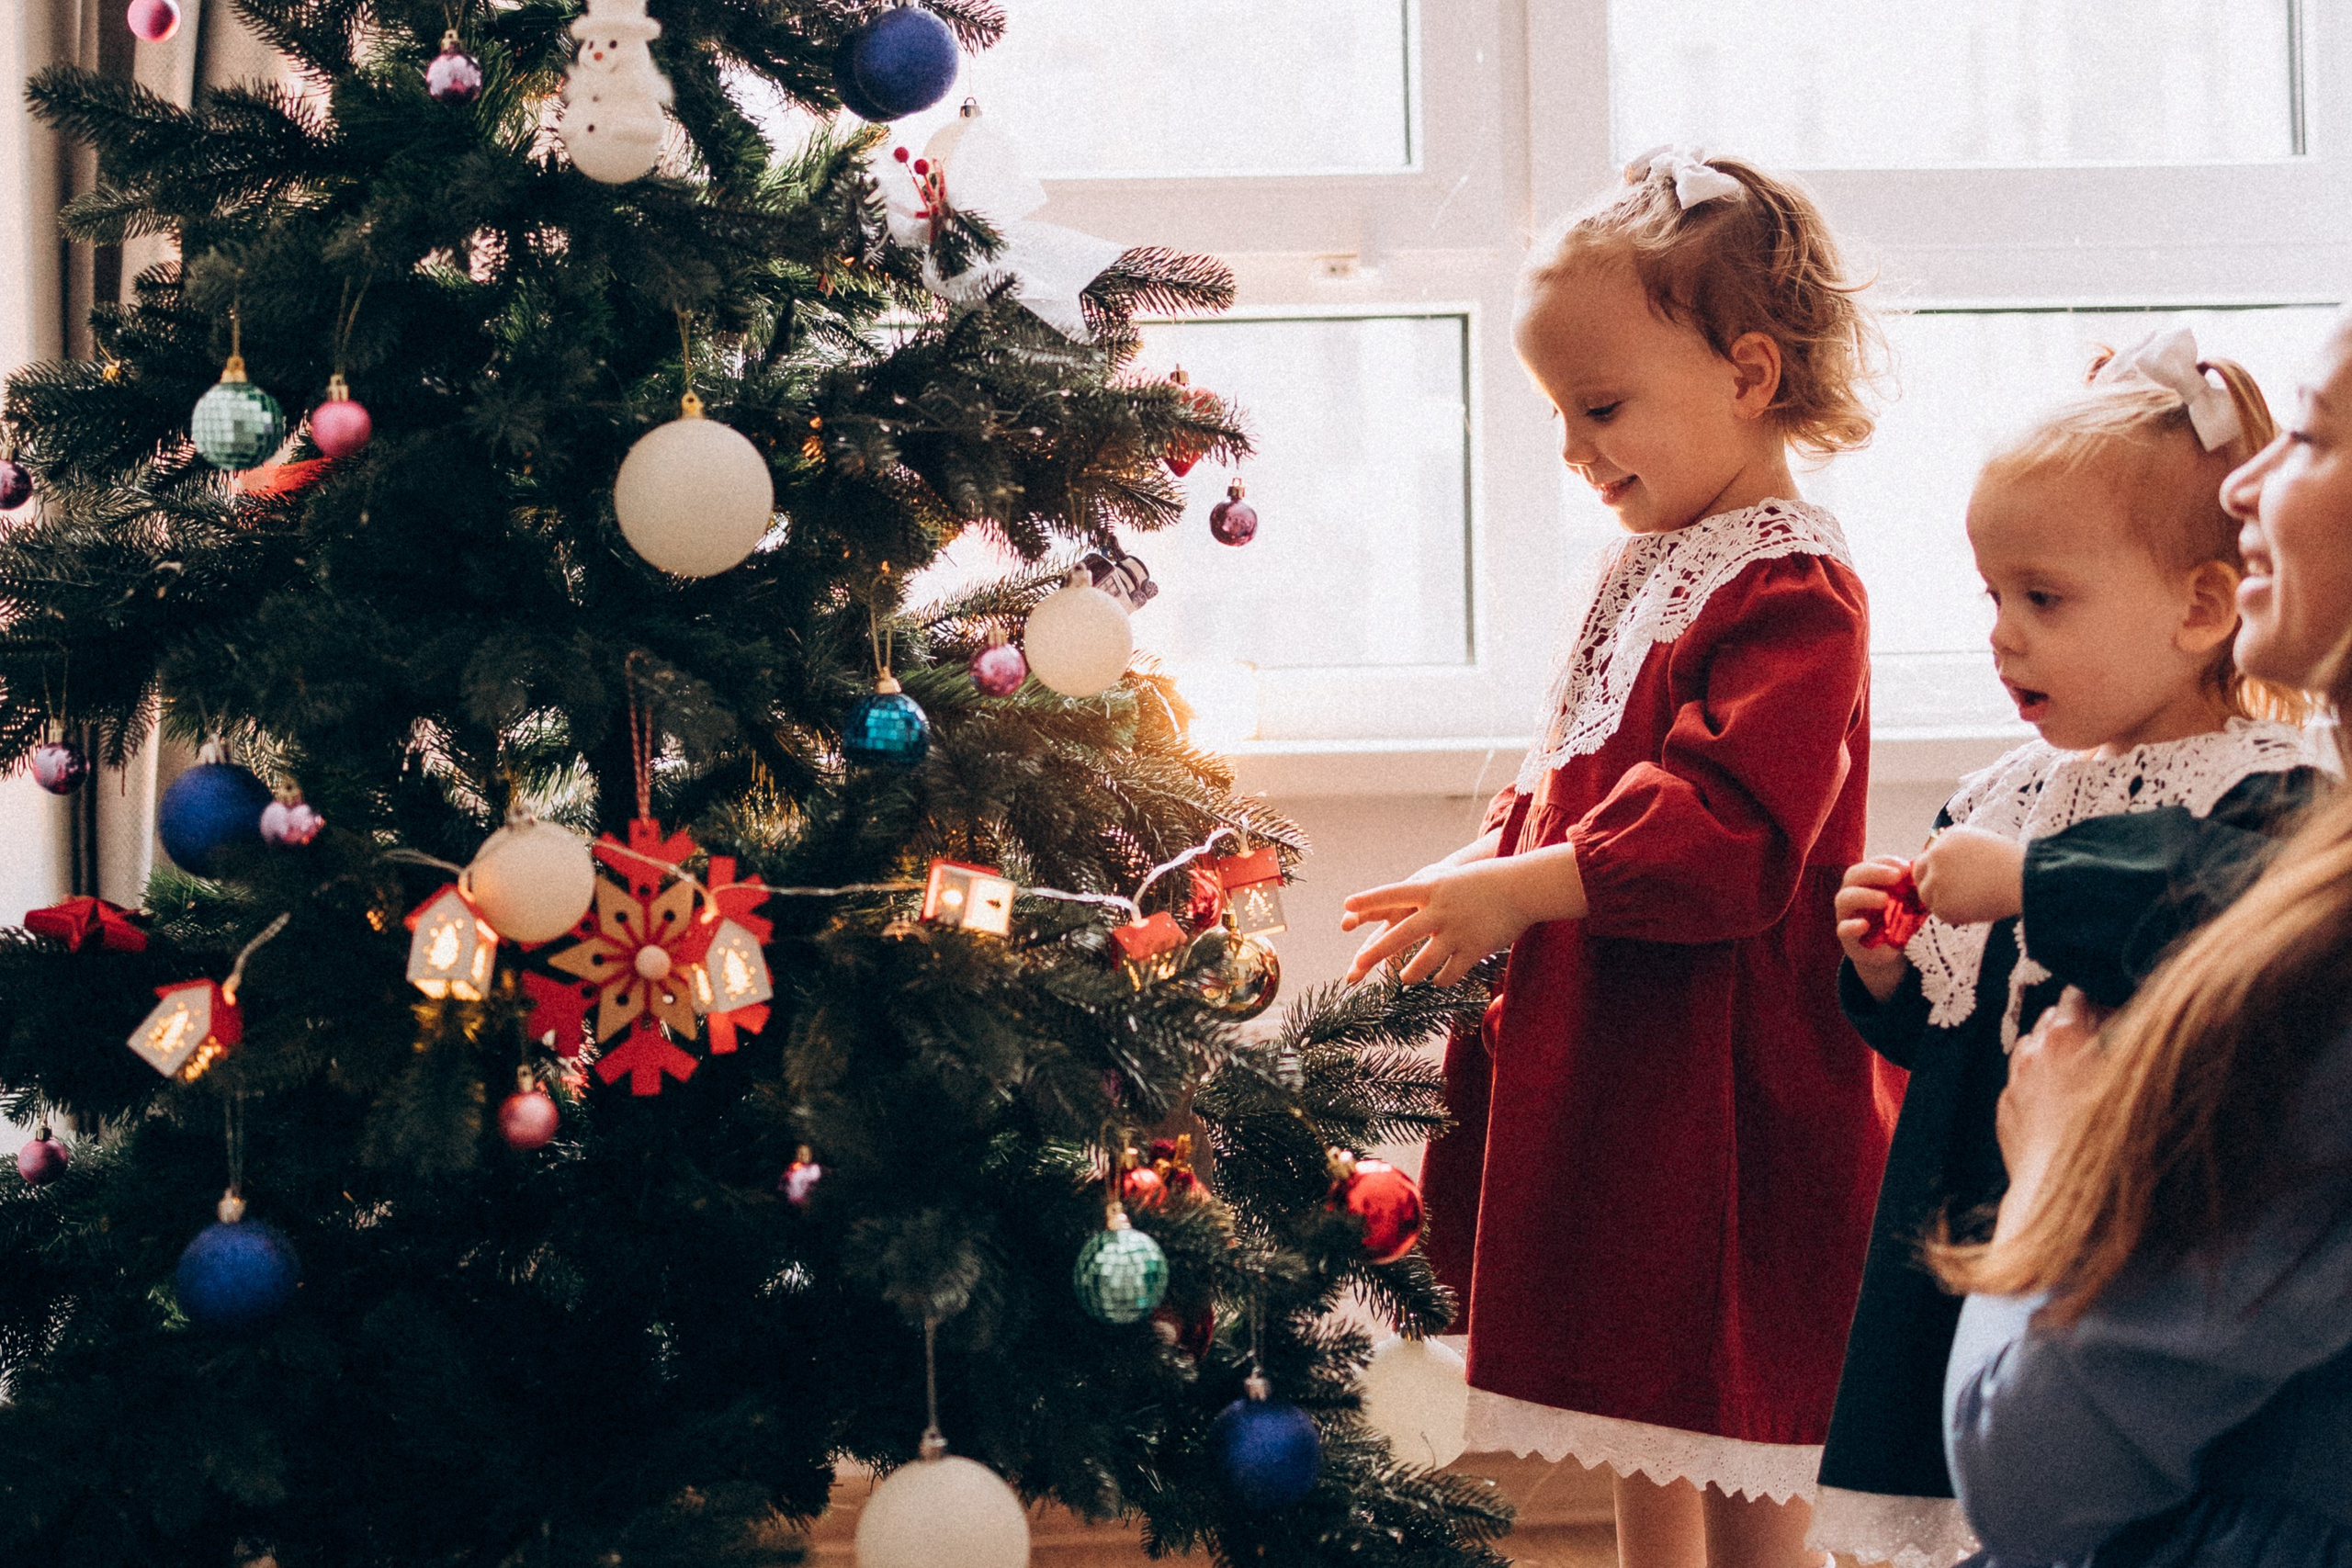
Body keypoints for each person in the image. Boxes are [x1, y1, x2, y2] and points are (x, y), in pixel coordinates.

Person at [1340, 147, 1894, 1568]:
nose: (1579, 454)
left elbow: (1725, 833)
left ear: (1750, 375)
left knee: (1743, 1403)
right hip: (1621, 1053)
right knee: (1639, 1399)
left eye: (1602, 409)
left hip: (1725, 1071)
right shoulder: (1648, 565)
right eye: (1559, 417)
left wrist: (1520, 890)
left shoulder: (1792, 588)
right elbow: (1579, 785)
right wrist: (1483, 870)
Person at [1814, 327, 2326, 1568]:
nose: (2006, 635)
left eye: (2045, 600)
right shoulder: (2009, 793)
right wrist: (1885, 972)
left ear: (2202, 609)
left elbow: (2211, 902)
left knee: (2079, 1501)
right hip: (1974, 1216)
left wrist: (2033, 884)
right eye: (1994, 596)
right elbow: (1951, 1035)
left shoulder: (2265, 788)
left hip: (2127, 1241)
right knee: (1956, 1504)